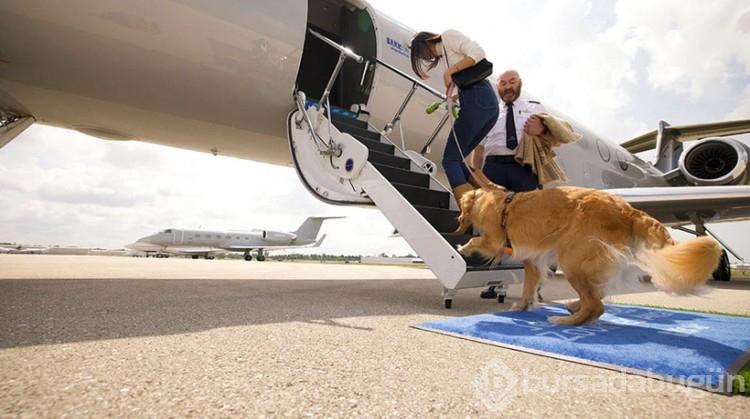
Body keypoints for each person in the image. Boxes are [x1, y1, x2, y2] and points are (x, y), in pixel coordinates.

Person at [472, 69, 564, 299]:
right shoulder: (489, 111)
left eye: (511, 82)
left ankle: (535, 285)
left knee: (532, 228)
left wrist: (540, 130)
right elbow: (479, 148)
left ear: (519, 83)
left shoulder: (534, 107)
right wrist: (478, 176)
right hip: (493, 169)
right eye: (503, 83)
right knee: (495, 226)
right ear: (498, 88)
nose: (507, 86)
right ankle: (493, 281)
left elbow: (557, 141)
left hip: (524, 169)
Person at [410, 30, 499, 201]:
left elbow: (478, 53)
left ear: (425, 42)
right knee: (458, 160)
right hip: (485, 103)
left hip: (477, 98)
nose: (425, 57)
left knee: (449, 160)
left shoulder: (448, 36)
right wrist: (453, 94)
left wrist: (449, 72)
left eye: (420, 53)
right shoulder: (446, 55)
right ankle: (496, 197)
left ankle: (467, 212)